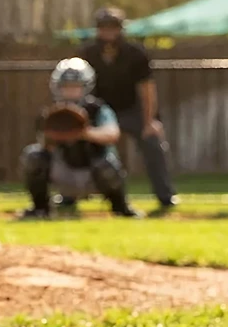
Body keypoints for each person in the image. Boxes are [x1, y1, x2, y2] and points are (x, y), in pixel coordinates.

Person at [81, 7, 178, 215]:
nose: (108, 33)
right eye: (104, 28)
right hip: (100, 112)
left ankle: (165, 195)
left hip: (131, 111)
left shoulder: (135, 54)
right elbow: (81, 90)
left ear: (120, 30)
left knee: (153, 142)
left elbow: (147, 89)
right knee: (78, 140)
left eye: (113, 28)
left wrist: (149, 121)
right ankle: (71, 195)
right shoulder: (87, 54)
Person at [19, 58, 142, 220]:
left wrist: (82, 133)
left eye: (75, 86)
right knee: (33, 155)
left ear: (85, 86)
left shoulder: (97, 109)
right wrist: (56, 134)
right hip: (63, 171)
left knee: (107, 164)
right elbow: (44, 145)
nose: (70, 91)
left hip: (93, 173)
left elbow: (112, 134)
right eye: (66, 86)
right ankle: (40, 209)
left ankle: (121, 208)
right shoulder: (51, 113)